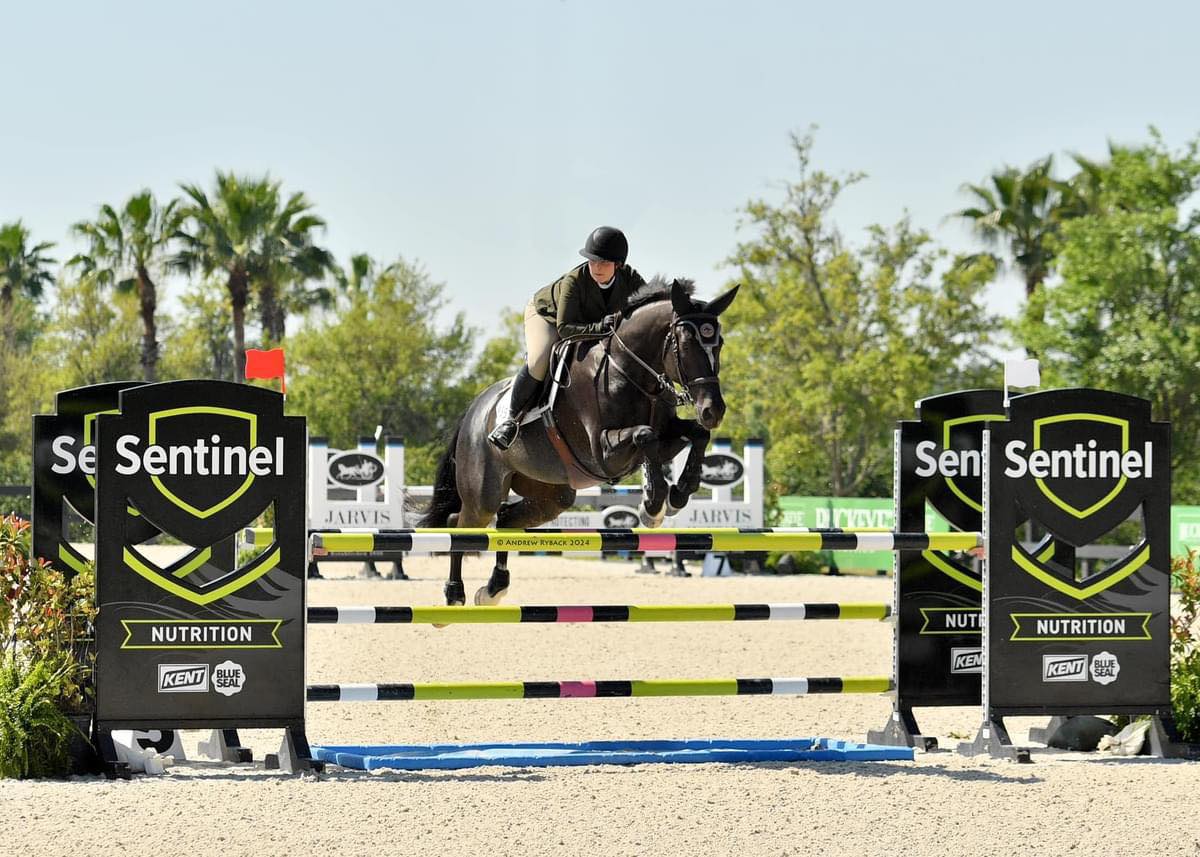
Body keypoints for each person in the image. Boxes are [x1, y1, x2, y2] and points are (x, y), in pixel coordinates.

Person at [488, 225, 647, 450]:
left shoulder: (630, 279)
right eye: (592, 261)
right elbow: (564, 328)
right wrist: (599, 327)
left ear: (618, 265)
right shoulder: (575, 280)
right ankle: (510, 420)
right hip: (548, 316)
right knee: (540, 359)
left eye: (603, 262)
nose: (596, 268)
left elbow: (650, 306)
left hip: (585, 322)